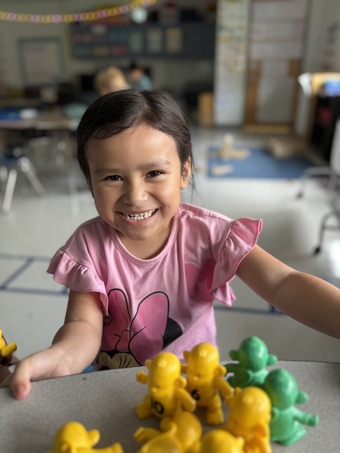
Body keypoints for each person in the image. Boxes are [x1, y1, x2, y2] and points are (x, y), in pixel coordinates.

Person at [4, 89, 340, 400]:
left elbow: (283, 284)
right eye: (112, 177)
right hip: (116, 391)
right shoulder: (89, 247)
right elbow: (83, 327)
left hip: (193, 387)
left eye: (154, 173)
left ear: (184, 172)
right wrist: (60, 359)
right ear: (90, 182)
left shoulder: (211, 235)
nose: (135, 196)